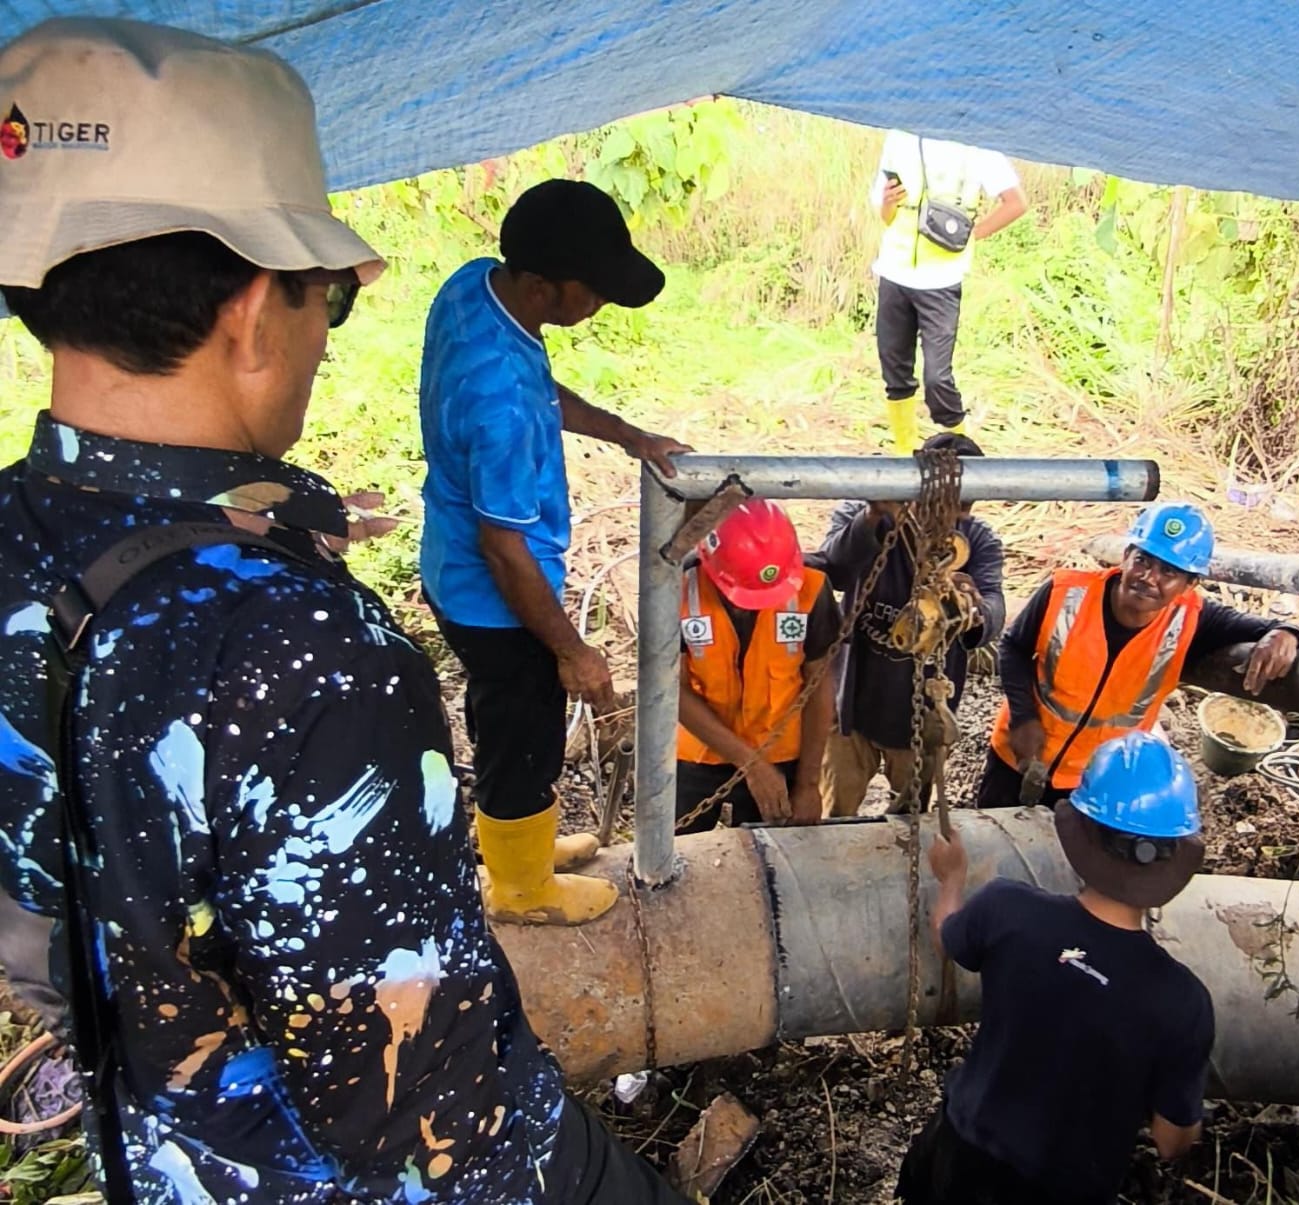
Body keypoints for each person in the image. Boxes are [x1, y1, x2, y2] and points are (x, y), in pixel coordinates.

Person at [0, 18, 686, 1202]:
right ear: (257, 310)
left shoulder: (20, 537)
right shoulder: (303, 652)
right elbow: (426, 1110)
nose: (324, 335)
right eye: (330, 299)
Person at [418, 179, 691, 926]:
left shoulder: (477, 287)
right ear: (543, 286)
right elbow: (502, 548)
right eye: (591, 292)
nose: (596, 305)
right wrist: (571, 649)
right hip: (494, 596)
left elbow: (540, 388)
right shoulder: (497, 399)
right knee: (523, 733)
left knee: (504, 719)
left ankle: (521, 851)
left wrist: (631, 436)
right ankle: (520, 889)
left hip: (450, 566)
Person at [897, 732, 1215, 1204]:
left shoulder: (1007, 909)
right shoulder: (1182, 1003)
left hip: (959, 1155)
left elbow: (948, 935)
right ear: (1176, 858)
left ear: (1081, 833)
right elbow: (1172, 1143)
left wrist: (952, 880)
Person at [979, 502, 1299, 809]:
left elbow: (1275, 629)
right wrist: (1024, 717)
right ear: (1126, 556)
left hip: (1095, 777)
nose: (1149, 577)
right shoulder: (1065, 593)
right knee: (988, 847)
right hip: (1018, 754)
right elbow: (1014, 646)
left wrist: (1288, 634)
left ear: (1190, 584)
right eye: (1143, 560)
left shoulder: (1194, 621)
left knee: (1063, 859)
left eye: (1168, 572)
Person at [813, 432, 1005, 816]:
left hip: (921, 719)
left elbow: (995, 608)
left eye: (961, 509)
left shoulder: (978, 540)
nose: (949, 518)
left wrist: (975, 609)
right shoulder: (868, 513)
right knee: (833, 816)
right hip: (851, 710)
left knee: (910, 821)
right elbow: (832, 570)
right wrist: (872, 517)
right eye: (941, 506)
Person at [677, 498, 841, 831]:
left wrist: (808, 783)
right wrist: (750, 763)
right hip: (698, 753)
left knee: (773, 866)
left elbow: (818, 686)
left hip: (783, 756)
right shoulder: (679, 585)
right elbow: (670, 692)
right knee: (680, 858)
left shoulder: (810, 587)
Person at [869, 130, 1029, 452]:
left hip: (941, 279)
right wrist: (886, 203)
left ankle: (960, 453)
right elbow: (884, 215)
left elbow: (1016, 203)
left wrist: (972, 236)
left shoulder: (976, 142)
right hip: (894, 271)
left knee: (937, 378)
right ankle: (904, 454)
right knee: (895, 372)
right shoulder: (898, 138)